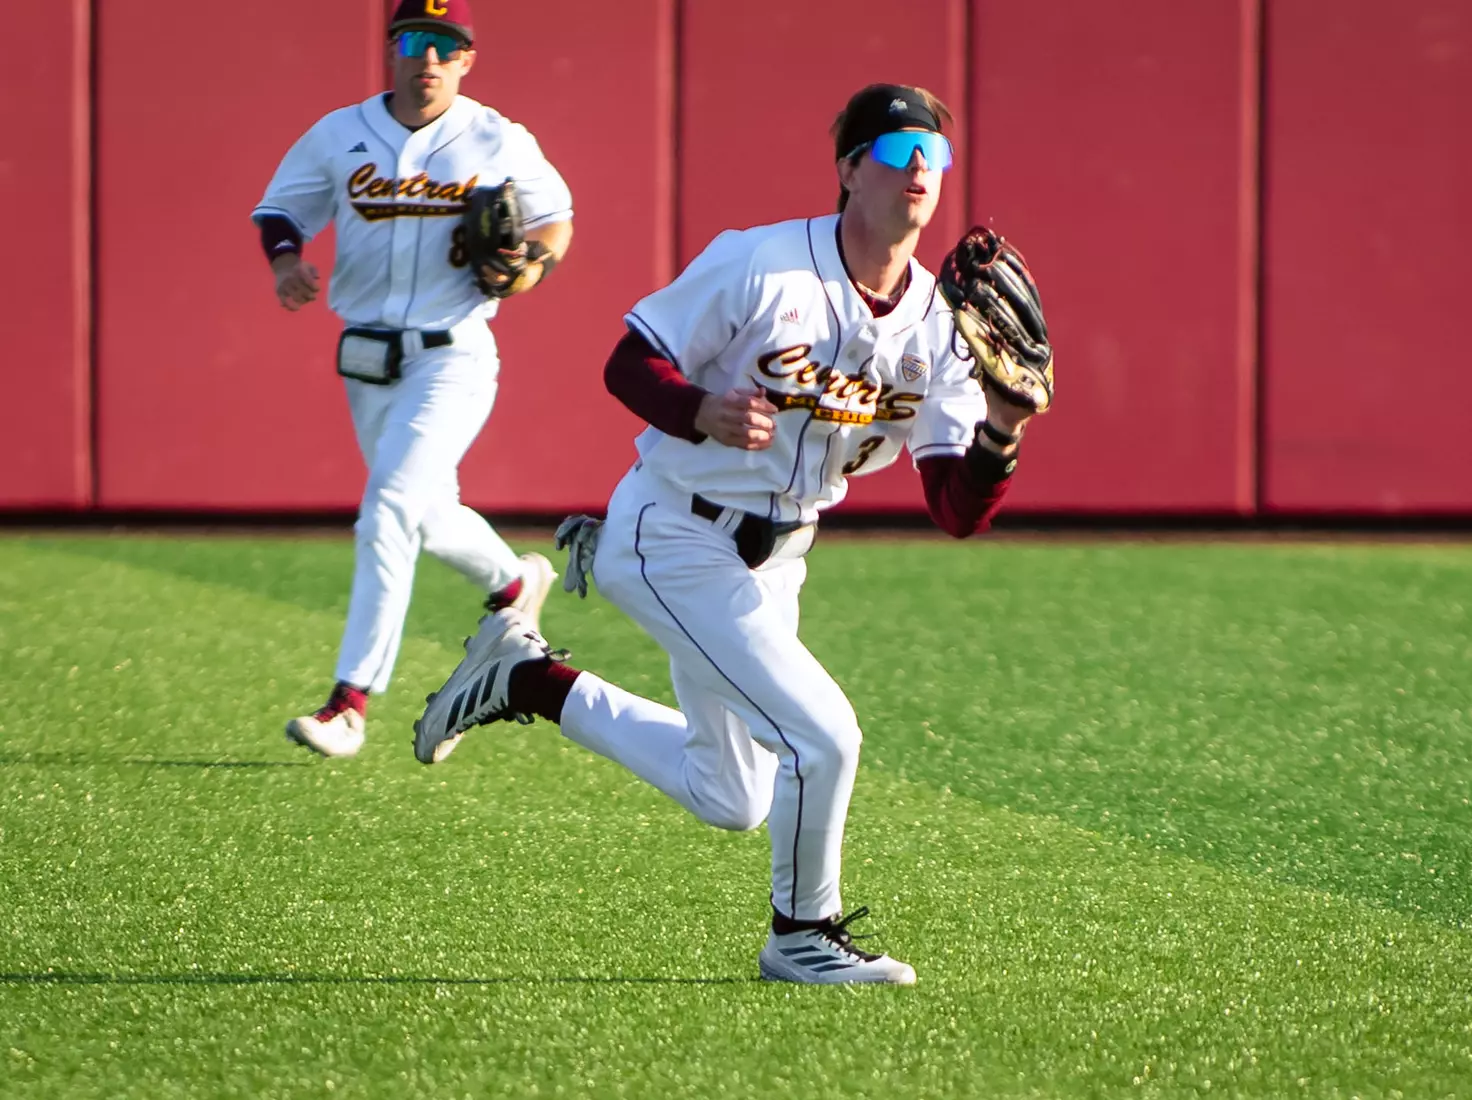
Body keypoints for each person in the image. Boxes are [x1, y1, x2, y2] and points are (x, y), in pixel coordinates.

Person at [412, 84, 1045, 984]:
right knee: (825, 737)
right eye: (898, 151)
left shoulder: (942, 330)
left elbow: (954, 508)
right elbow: (629, 363)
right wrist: (701, 409)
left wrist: (1004, 429)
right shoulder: (762, 265)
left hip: (779, 559)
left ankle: (525, 677)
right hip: (672, 532)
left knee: (734, 795)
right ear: (848, 169)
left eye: (933, 157)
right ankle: (804, 936)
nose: (918, 171)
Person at [251, 0, 574, 758]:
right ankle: (511, 582)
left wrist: (533, 264)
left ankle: (351, 701)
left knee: (388, 507)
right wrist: (286, 261)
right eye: (414, 40)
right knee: (426, 514)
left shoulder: (497, 137)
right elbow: (280, 210)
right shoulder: (340, 132)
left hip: (453, 353)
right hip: (366, 357)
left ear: (466, 59)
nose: (428, 57)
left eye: (446, 44)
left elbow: (555, 216)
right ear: (391, 50)